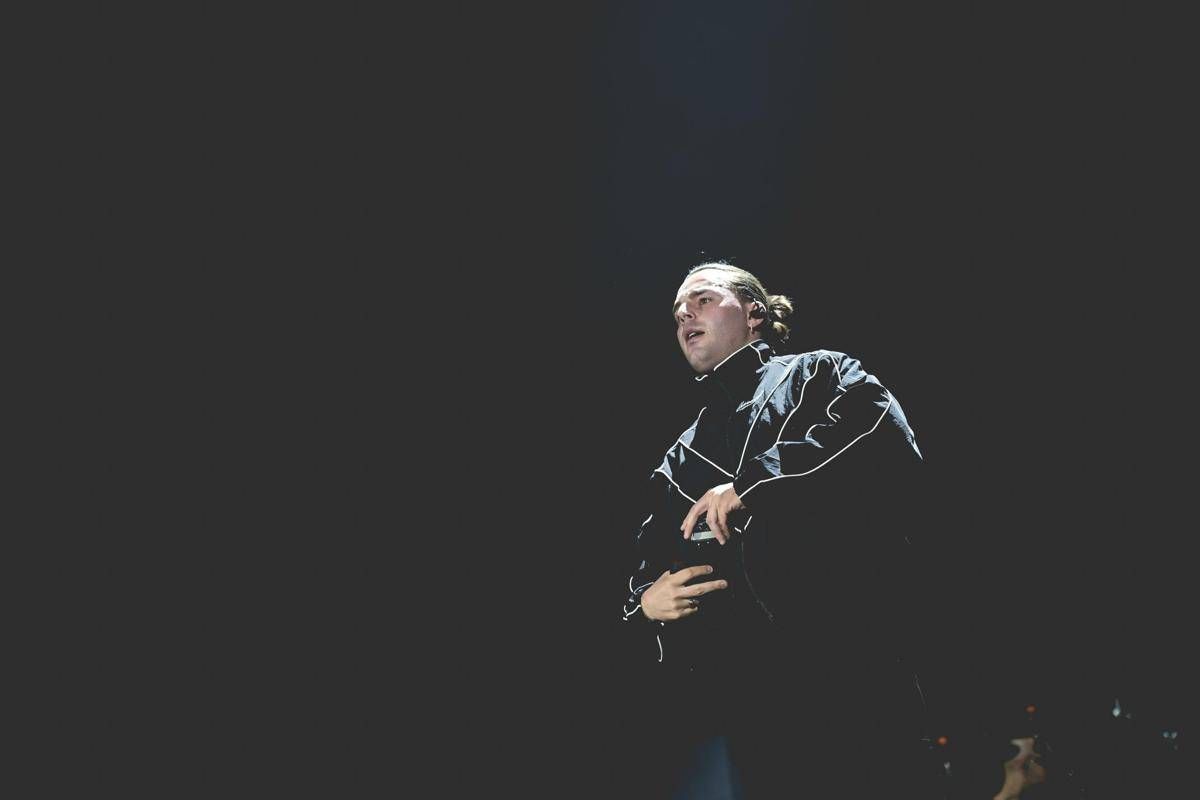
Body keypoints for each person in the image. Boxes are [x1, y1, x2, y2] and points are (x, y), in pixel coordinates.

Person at [617, 262, 928, 798]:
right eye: (677, 312)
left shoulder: (820, 373)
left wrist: (750, 485)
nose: (684, 314)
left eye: (702, 299)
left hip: (855, 663)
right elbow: (651, 558)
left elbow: (880, 432)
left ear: (754, 312)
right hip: (751, 698)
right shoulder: (680, 457)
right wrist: (645, 601)